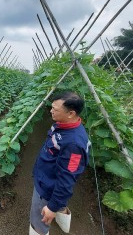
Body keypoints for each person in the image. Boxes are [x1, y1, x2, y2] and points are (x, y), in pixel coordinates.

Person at [29, 91, 90, 235]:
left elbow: (67, 179)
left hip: (46, 187)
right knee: (59, 203)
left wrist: (51, 208)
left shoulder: (74, 144)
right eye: (52, 107)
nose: (51, 111)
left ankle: (39, 230)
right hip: (47, 176)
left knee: (39, 219)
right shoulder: (63, 125)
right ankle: (61, 214)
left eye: (55, 109)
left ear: (71, 113)